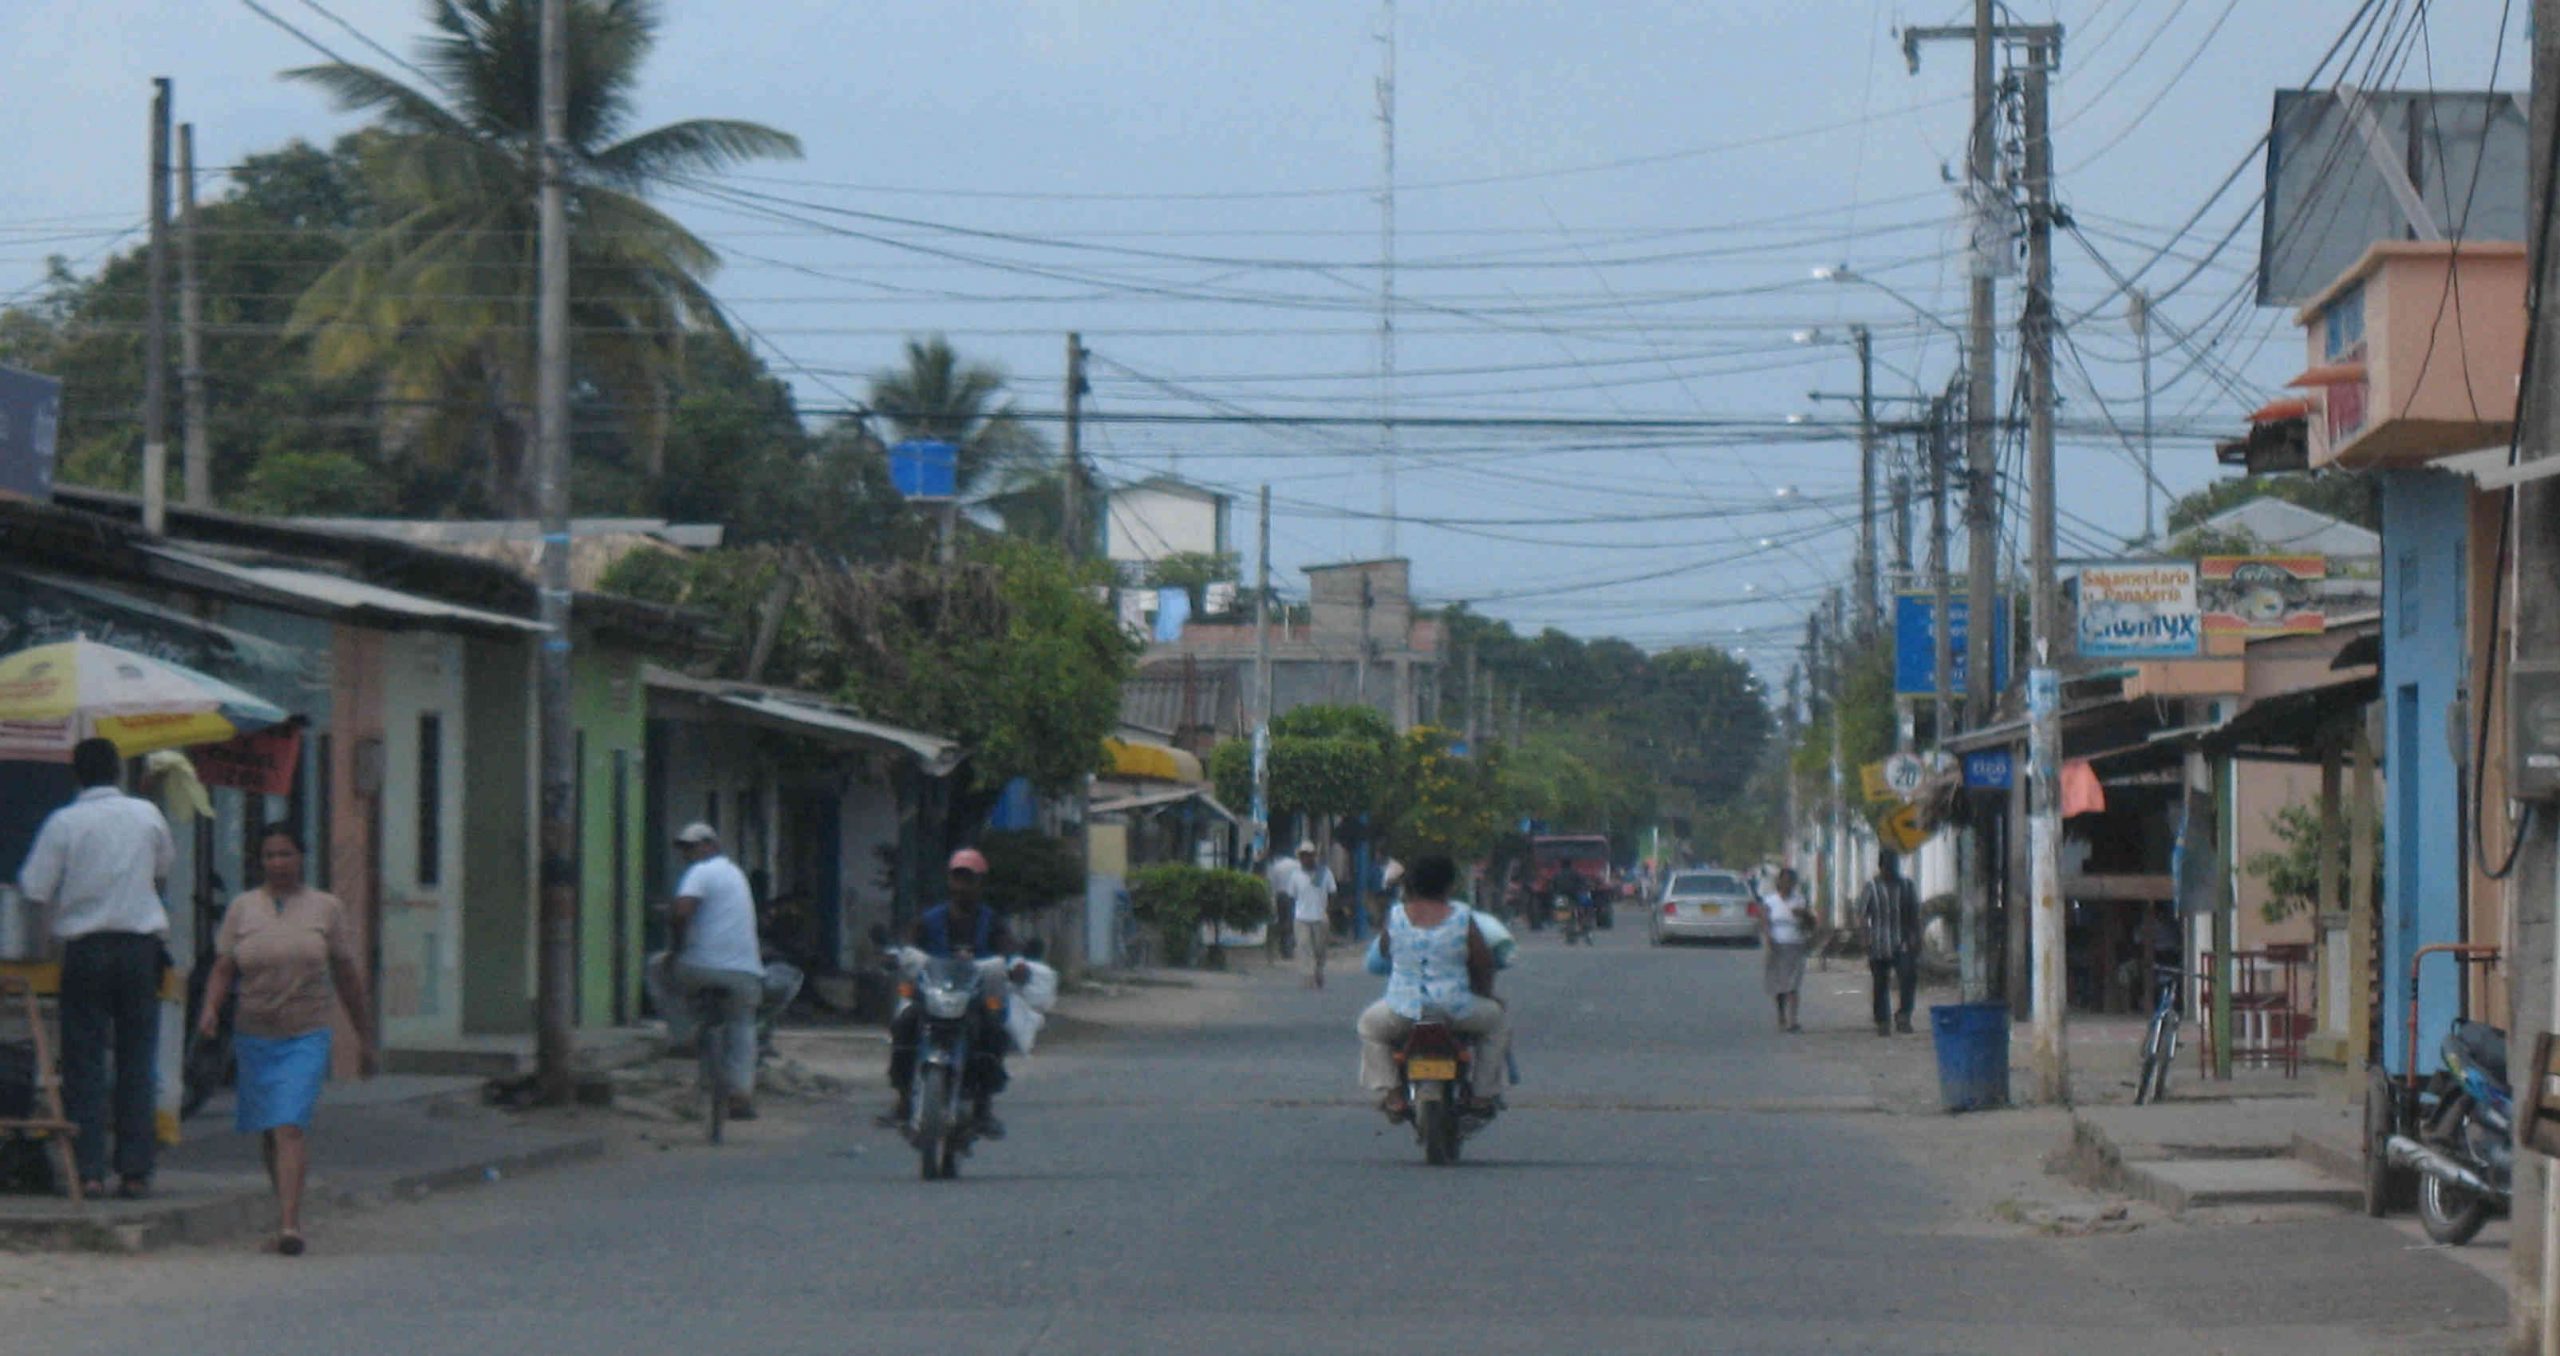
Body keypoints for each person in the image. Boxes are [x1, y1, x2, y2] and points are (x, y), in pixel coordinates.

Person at [195, 823, 375, 1256]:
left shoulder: (325, 909)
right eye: (270, 856)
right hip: (255, 1032)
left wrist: (364, 1035)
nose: (278, 863)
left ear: (301, 858)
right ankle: (283, 1215)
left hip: (306, 1032)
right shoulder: (242, 909)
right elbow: (223, 967)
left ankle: (292, 1226)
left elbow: (347, 975)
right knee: (268, 1128)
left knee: (289, 1124)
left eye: (286, 854)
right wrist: (210, 1010)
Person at [16, 737, 175, 1199]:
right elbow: (163, 869)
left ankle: (87, 1171)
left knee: (83, 1062)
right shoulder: (147, 815)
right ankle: (134, 1170)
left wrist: (48, 935)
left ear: (76, 774)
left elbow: (34, 888)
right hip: (139, 950)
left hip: (84, 952)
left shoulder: (64, 822)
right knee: (136, 1060)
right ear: (118, 772)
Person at [883, 848, 1028, 1136]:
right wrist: (895, 955)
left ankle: (983, 1106)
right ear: (949, 881)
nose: (962, 886)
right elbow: (908, 943)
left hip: (972, 998)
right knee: (904, 1025)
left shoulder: (991, 921)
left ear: (980, 883)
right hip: (934, 995)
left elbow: (1009, 948)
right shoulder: (930, 919)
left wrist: (1016, 965)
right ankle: (902, 1100)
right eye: (957, 878)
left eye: (968, 879)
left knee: (994, 1033)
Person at [1356, 854, 1512, 1120]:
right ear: (1449, 885)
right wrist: (1487, 994)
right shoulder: (1462, 916)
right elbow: (1482, 963)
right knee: (1497, 1024)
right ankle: (1482, 1094)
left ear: (1412, 885)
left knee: (1369, 1027)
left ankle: (1393, 1096)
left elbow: (1383, 951)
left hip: (1402, 1010)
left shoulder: (1396, 916)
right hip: (1455, 1008)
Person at [666, 822, 764, 1124]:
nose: (688, 854)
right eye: (685, 849)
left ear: (711, 846)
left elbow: (682, 912)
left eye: (693, 847)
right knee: (743, 1025)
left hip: (701, 966)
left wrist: (676, 945)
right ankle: (741, 1094)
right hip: (745, 971)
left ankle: (681, 1034)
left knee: (659, 970)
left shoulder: (699, 872)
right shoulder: (736, 875)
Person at [1858, 849, 1924, 1036]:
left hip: (1902, 941)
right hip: (1878, 943)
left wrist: (1917, 937)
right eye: (1888, 866)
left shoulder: (1907, 886)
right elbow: (1863, 915)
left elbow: (1915, 914)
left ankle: (1904, 1016)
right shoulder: (1871, 887)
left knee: (1908, 978)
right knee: (1880, 983)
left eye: (1894, 865)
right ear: (1881, 866)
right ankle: (1882, 1020)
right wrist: (1865, 938)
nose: (1892, 870)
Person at [1758, 867, 1813, 1033]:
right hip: (1777, 945)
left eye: (1790, 881)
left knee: (1793, 985)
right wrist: (1768, 940)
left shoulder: (1800, 901)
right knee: (1780, 985)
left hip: (1796, 945)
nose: (1787, 884)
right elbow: (1765, 922)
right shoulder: (1770, 901)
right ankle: (1781, 1014)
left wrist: (1803, 915)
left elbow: (1810, 924)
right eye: (1784, 881)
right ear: (1779, 882)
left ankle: (1793, 1021)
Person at [1285, 840, 1336, 988]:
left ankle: (1319, 969)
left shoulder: (1325, 873)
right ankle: (1307, 976)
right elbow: (1291, 897)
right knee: (1303, 946)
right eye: (1303, 855)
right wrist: (1289, 918)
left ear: (1314, 856)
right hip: (1301, 918)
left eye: (1309, 855)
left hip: (1320, 917)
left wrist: (1328, 912)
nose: (1306, 858)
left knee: (1320, 949)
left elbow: (1332, 893)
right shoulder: (1295, 875)